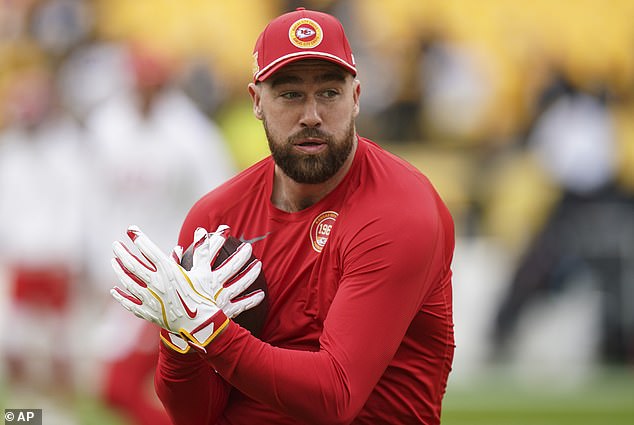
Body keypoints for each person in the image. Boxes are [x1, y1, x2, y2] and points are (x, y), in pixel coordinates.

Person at [110, 8, 455, 425]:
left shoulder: (399, 208)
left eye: (329, 92)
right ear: (257, 101)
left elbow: (334, 396)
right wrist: (177, 342)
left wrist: (209, 329)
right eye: (290, 94)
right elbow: (194, 415)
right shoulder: (217, 217)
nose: (311, 115)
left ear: (357, 97)